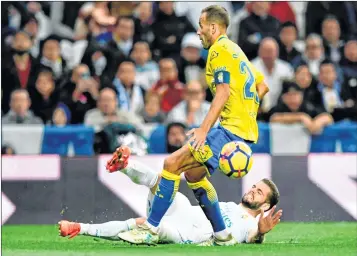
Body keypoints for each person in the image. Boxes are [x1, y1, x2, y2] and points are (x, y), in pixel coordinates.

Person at [106, 5, 269, 246]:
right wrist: (247, 112)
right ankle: (223, 235)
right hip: (241, 130)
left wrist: (204, 129)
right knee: (193, 175)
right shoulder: (237, 51)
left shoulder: (218, 51)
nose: (198, 31)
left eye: (202, 26)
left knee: (171, 164)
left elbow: (223, 92)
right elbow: (262, 86)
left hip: (229, 130)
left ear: (213, 27)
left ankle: (150, 229)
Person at [59, 148, 282, 245]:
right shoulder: (231, 206)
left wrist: (261, 233)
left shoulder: (251, 224)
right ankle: (125, 165)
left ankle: (79, 227)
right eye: (254, 186)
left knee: (142, 225)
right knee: (161, 182)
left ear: (265, 205)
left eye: (259, 192)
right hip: (184, 211)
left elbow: (253, 237)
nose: (252, 190)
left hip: (188, 233)